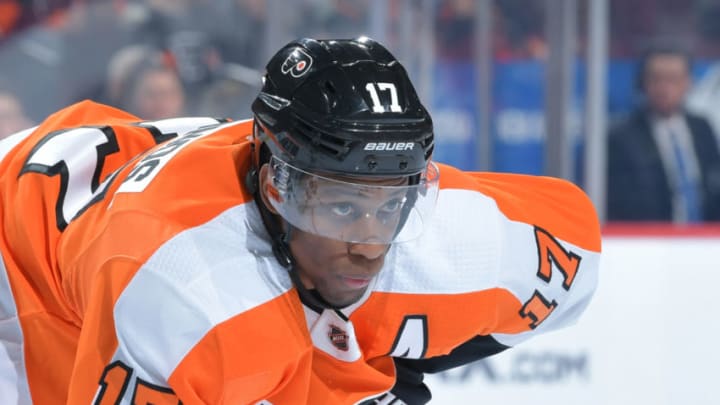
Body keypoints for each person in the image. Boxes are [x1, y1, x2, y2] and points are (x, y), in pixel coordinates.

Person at [0, 37, 601, 404]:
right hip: (21, 260)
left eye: (389, 205)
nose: (369, 245)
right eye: (341, 205)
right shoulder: (180, 289)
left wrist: (391, 361)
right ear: (275, 185)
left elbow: (575, 263)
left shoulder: (461, 241)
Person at [607, 46, 720, 222]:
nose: (664, 87)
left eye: (673, 79)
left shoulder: (702, 128)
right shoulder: (622, 137)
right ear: (642, 83)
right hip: (649, 239)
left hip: (704, 238)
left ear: (688, 82)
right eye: (656, 79)